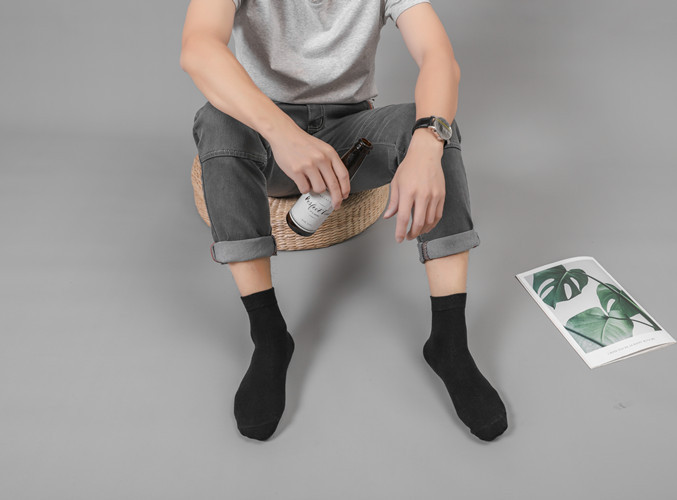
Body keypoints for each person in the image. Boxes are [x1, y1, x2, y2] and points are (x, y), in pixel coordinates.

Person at [180, 0, 508, 441]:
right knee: (217, 120)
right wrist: (283, 134)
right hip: (264, 131)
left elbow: (438, 56)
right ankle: (269, 335)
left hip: (352, 138)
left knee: (433, 125)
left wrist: (428, 143)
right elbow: (198, 48)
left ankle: (450, 341)